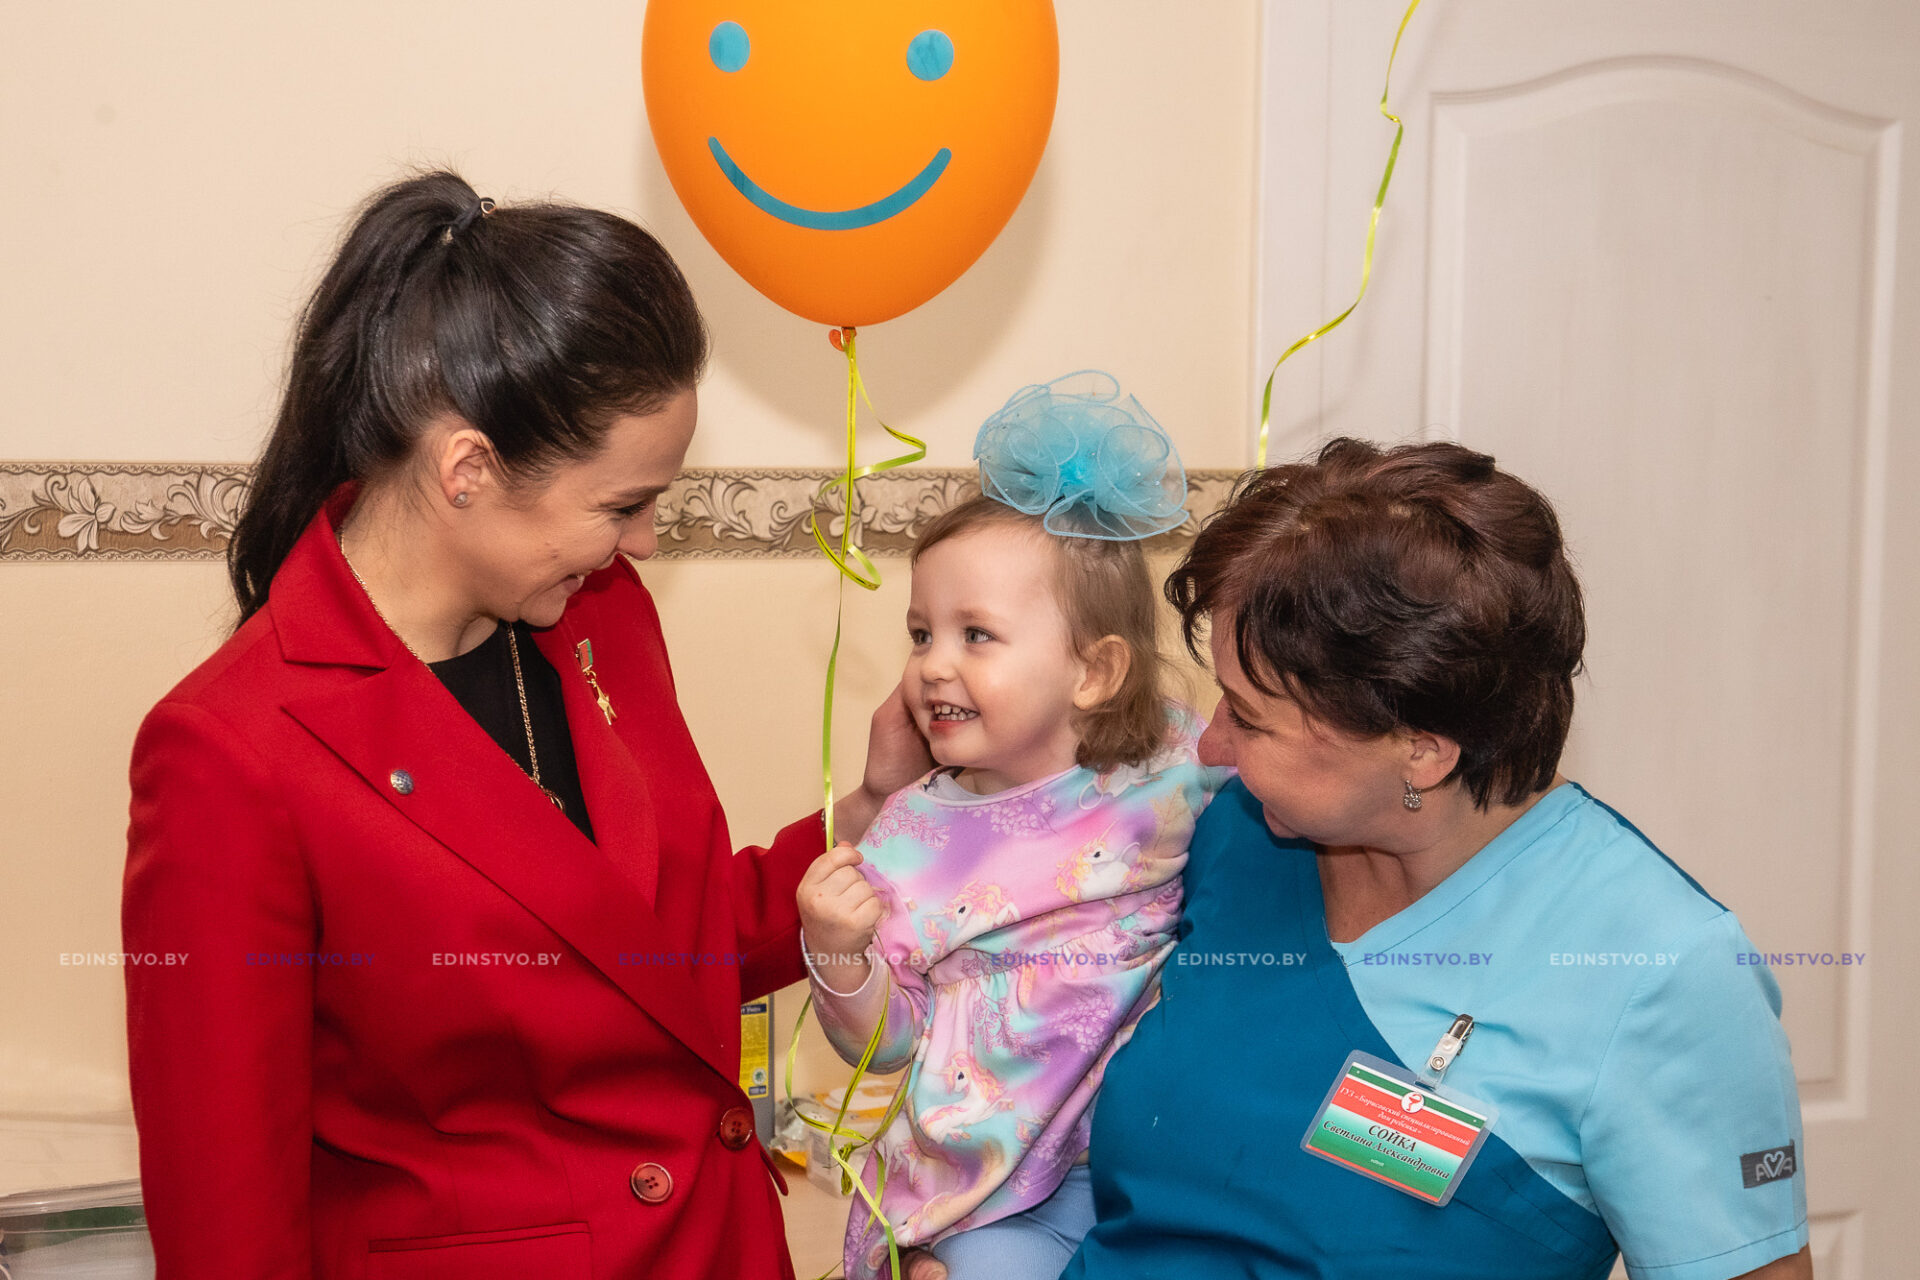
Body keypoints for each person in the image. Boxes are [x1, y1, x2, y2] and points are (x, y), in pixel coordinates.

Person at [120, 170, 928, 1280]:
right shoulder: (231, 750)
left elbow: (653, 960)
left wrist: (876, 808)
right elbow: (227, 1221)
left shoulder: (602, 614)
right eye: (622, 505)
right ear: (468, 467)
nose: (644, 543)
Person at [1045, 438, 1810, 1280]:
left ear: (1423, 750)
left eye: (1251, 719)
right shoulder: (1241, 835)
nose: (1212, 747)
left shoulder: (1660, 970)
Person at [797, 376, 1231, 1280]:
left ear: (1095, 671)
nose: (932, 666)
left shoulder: (1174, 763)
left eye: (976, 635)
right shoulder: (910, 834)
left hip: (1158, 1166)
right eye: (921, 634)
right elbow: (888, 1041)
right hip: (989, 1196)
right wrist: (837, 951)